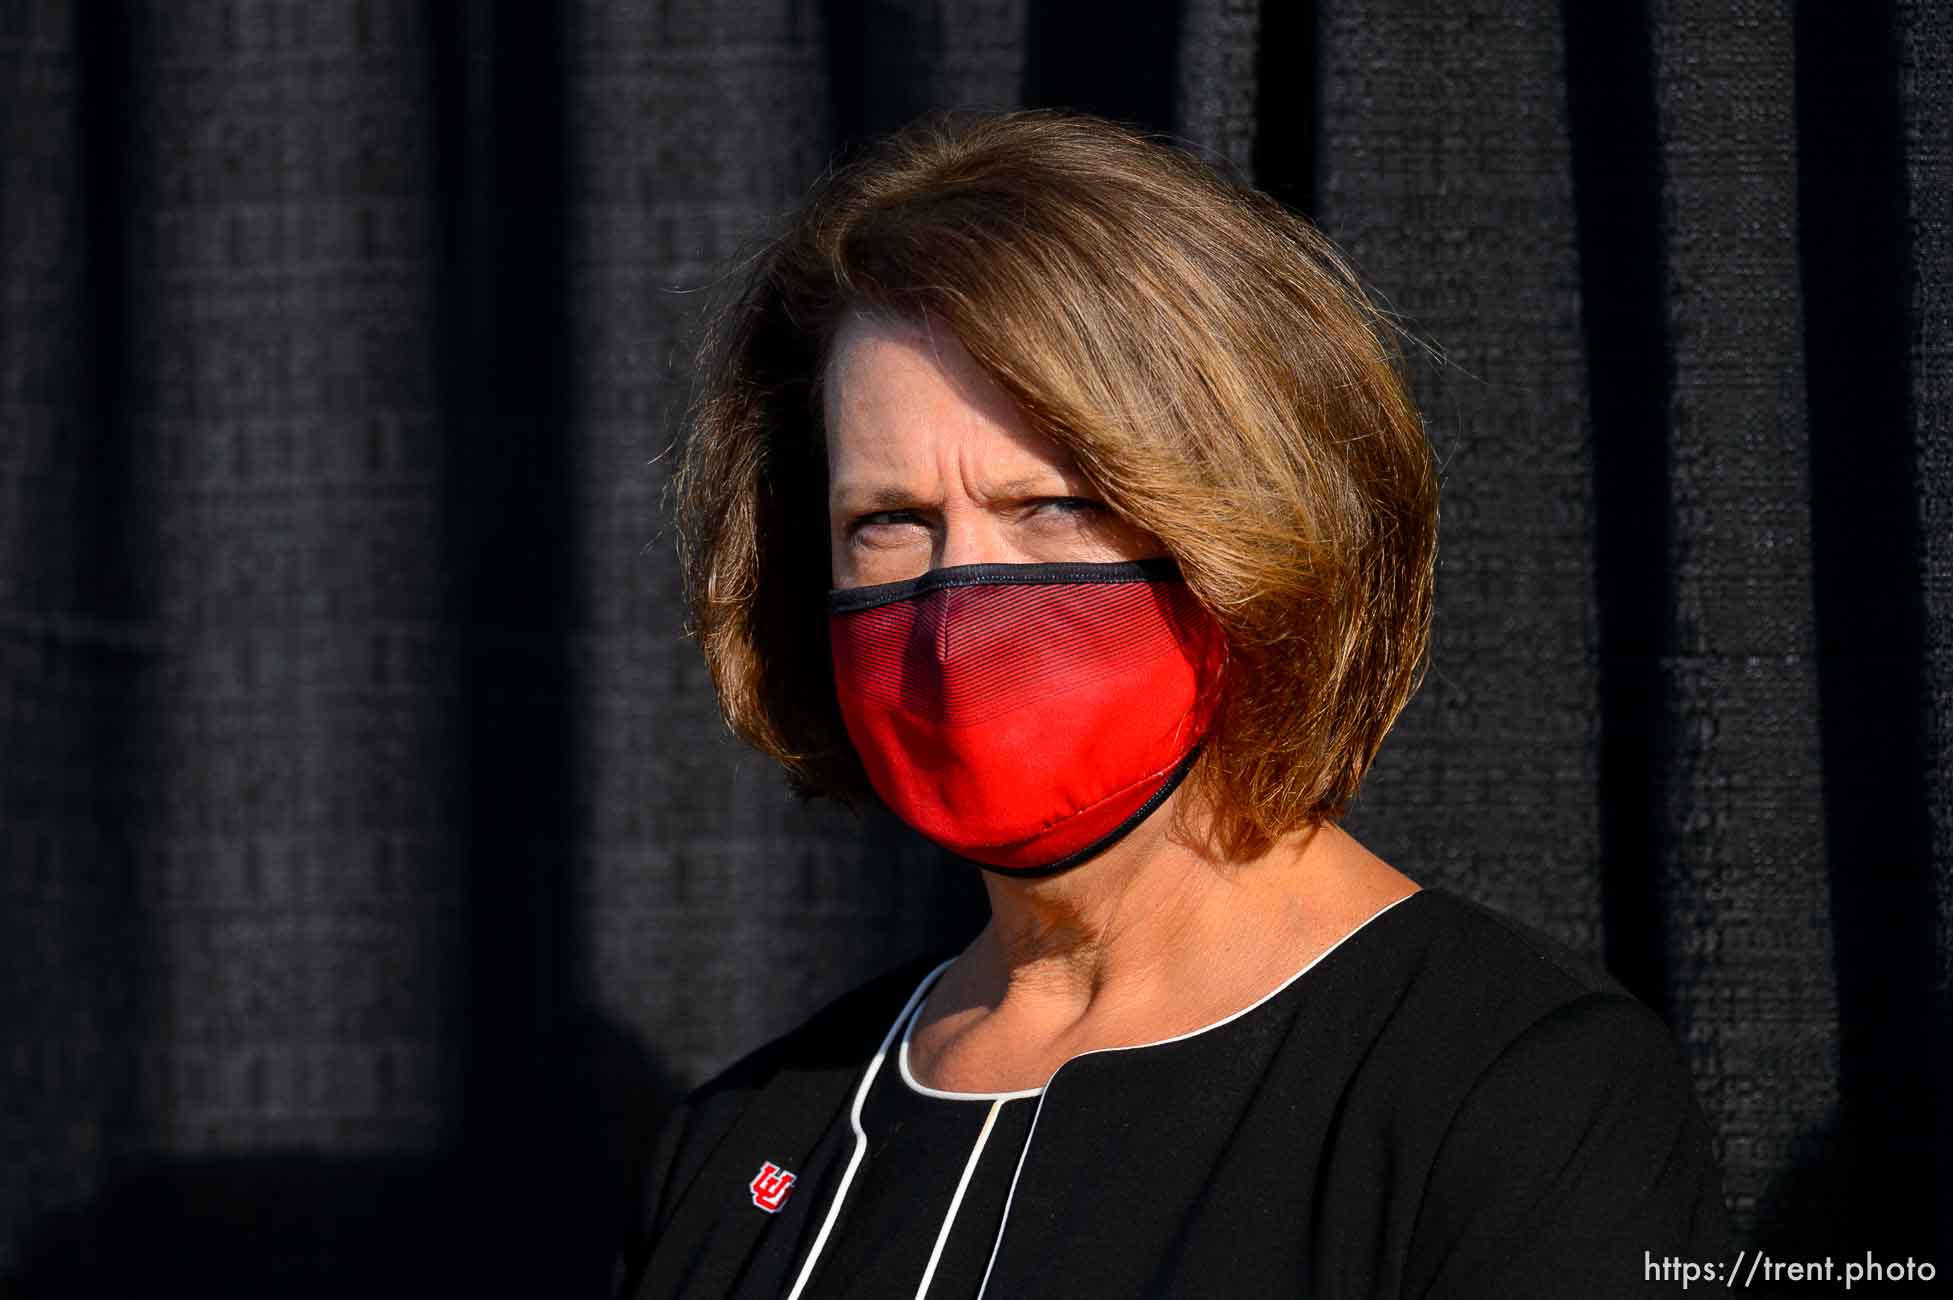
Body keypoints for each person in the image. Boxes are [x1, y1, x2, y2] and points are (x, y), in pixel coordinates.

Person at [614, 110, 1729, 1299]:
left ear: (1244, 522)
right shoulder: (751, 1135)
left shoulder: (1511, 1095)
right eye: (888, 523)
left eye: (1055, 504)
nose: (960, 610)